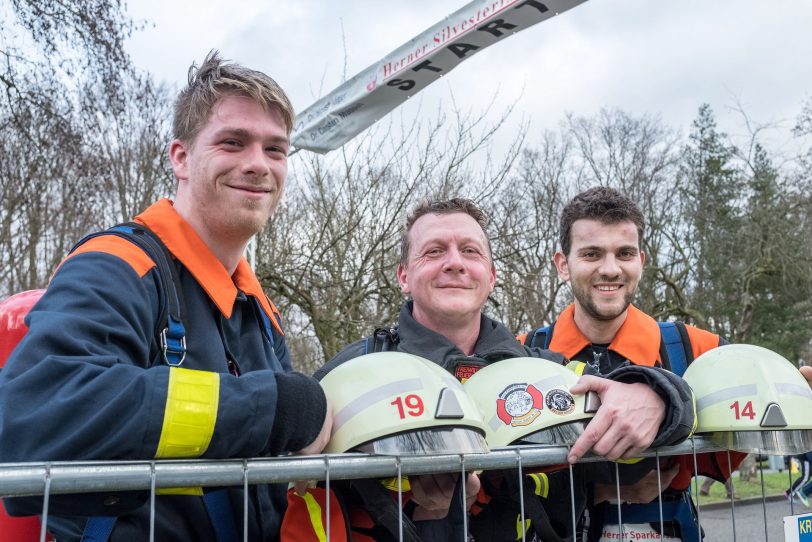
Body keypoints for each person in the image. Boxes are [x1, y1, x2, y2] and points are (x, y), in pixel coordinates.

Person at [0, 50, 331, 541]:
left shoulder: (259, 309)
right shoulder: (117, 266)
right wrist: (278, 408)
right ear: (181, 157)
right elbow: (31, 420)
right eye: (233, 142)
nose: (258, 164)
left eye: (275, 150)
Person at [282, 198, 695, 541]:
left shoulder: (545, 368)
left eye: (471, 251)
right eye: (434, 251)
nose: (455, 263)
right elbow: (292, 485)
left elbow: (633, 452)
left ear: (492, 276)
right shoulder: (353, 373)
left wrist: (657, 394)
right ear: (404, 277)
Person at [525, 186, 812, 541]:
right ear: (563, 265)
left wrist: (797, 397)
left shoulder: (700, 350)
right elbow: (496, 489)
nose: (611, 269)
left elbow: (753, 439)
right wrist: (598, 489)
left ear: (641, 263)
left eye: (625, 253)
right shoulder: (524, 355)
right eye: (592, 254)